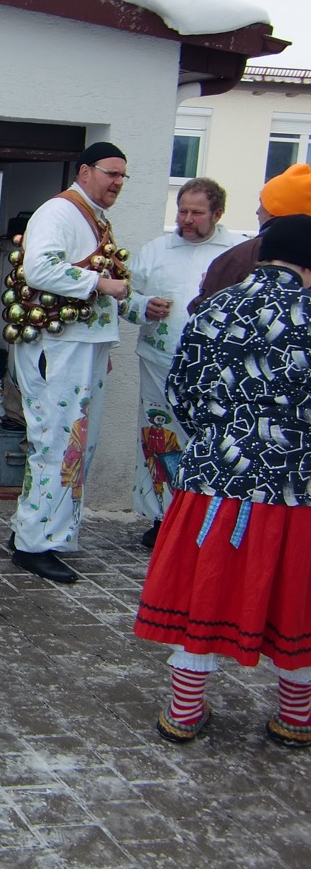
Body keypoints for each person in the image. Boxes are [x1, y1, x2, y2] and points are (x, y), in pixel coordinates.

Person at [133, 214, 311, 749]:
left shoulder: (215, 306)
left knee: (202, 594)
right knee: (297, 600)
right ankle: (296, 718)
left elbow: (180, 390)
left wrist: (219, 439)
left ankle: (183, 712)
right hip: (296, 485)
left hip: (213, 479)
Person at [8, 142, 134, 584]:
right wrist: (101, 282)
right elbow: (39, 270)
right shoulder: (59, 212)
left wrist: (105, 340)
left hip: (80, 346)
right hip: (60, 348)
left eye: (122, 176)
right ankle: (34, 545)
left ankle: (34, 530)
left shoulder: (93, 217)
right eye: (110, 173)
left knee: (73, 443)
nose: (117, 182)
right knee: (58, 442)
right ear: (84, 172)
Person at [120, 178, 241, 548]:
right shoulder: (156, 250)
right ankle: (162, 518)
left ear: (217, 213)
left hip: (215, 371)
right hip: (159, 363)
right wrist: (144, 306)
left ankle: (203, 522)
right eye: (182, 210)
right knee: (160, 439)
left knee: (206, 443)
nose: (186, 219)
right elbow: (123, 297)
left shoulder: (236, 253)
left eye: (196, 213)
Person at [193, 163, 311, 307]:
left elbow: (207, 313)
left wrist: (207, 290)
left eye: (262, 203)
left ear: (274, 210)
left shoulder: (243, 255)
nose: (257, 211)